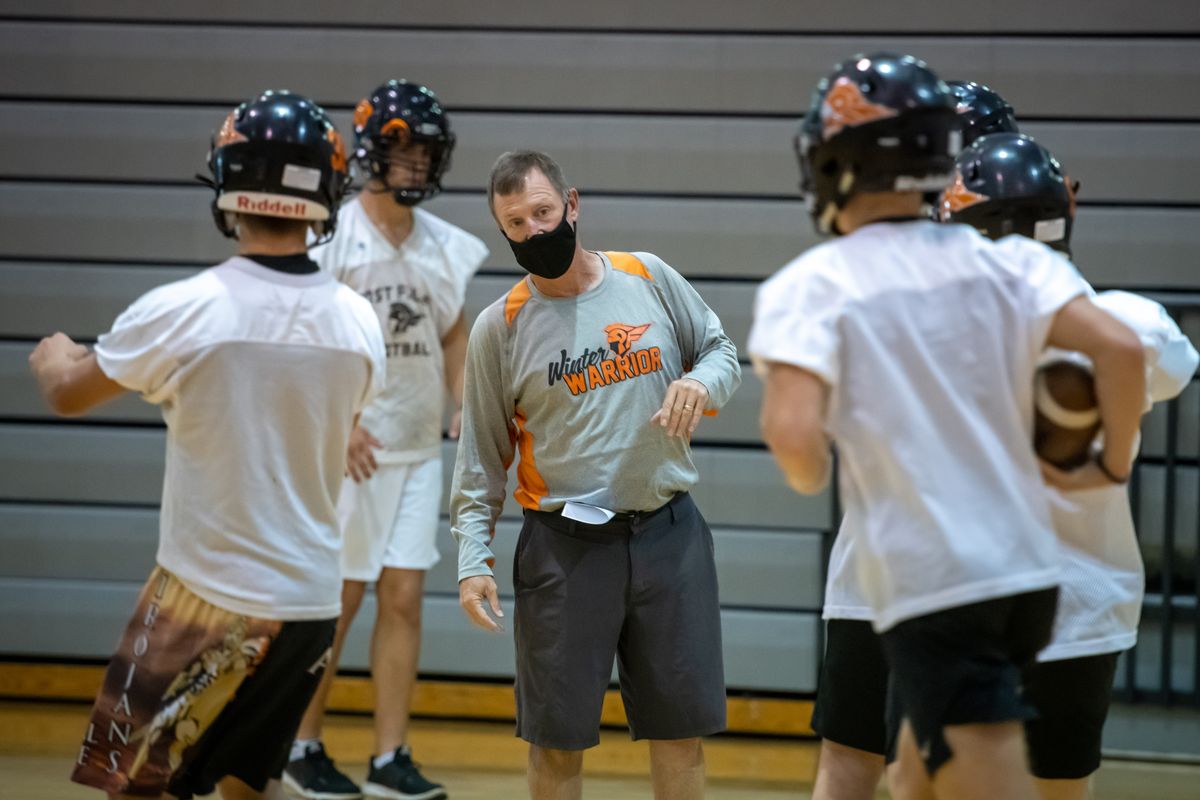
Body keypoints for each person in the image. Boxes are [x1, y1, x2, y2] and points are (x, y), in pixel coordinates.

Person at [749, 53, 1146, 800]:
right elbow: (1121, 349)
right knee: (913, 776)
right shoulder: (1008, 263)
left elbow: (799, 452)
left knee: (981, 779)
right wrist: (1110, 467)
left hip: (941, 581)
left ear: (835, 160)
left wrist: (814, 466)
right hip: (1033, 576)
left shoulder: (812, 285)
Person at [29, 90, 385, 800]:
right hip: (310, 602)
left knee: (139, 785)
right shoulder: (358, 321)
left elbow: (68, 393)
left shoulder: (184, 309)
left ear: (228, 181)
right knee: (248, 783)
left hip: (205, 595)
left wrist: (53, 354)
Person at [449, 150, 741, 800]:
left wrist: (699, 380)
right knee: (556, 743)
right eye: (516, 224)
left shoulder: (648, 276)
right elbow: (479, 461)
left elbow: (722, 351)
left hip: (671, 538)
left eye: (543, 213)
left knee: (680, 735)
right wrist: (473, 560)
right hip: (564, 550)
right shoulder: (499, 328)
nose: (533, 233)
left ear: (572, 205)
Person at [803, 78, 1025, 800]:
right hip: (870, 560)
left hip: (960, 570)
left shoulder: (1010, 277)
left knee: (926, 765)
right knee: (849, 748)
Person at [282, 79, 486, 800]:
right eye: (405, 152)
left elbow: (454, 332)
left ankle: (387, 756)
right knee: (337, 600)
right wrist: (332, 427)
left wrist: (466, 409)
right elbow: (300, 342)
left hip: (415, 446)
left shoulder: (441, 248)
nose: (418, 165)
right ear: (372, 151)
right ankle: (300, 744)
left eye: (427, 153)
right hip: (352, 452)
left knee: (403, 598)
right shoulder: (333, 239)